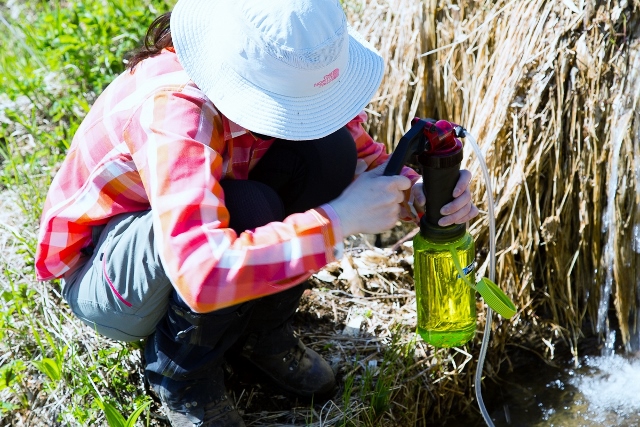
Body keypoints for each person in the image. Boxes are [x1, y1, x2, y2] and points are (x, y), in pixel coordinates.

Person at [35, 0, 478, 425]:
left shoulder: (273, 64)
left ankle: (261, 334)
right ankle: (183, 372)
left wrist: (417, 192)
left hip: (181, 242)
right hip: (109, 276)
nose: (307, 112)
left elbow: (362, 157)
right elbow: (202, 273)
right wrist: (340, 219)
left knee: (329, 152)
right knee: (247, 207)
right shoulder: (174, 113)